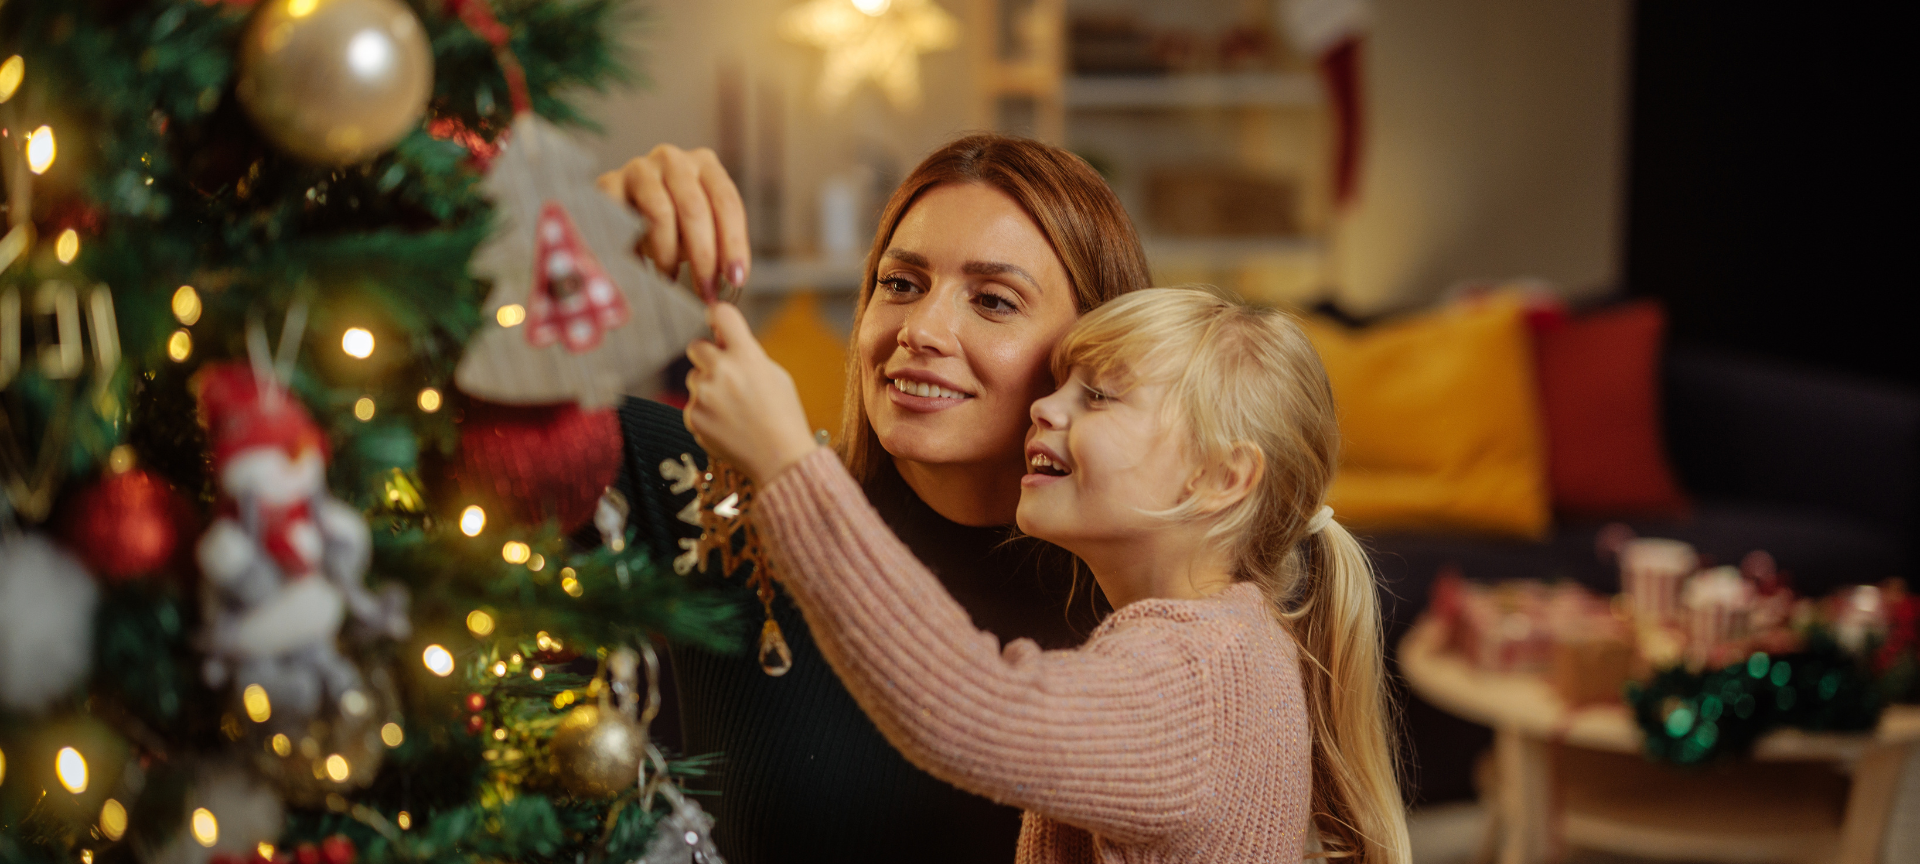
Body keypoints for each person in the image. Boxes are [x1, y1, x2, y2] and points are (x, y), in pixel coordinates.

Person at [683, 287, 1411, 862]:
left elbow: (973, 707)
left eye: (1098, 396)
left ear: (1221, 476)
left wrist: (785, 461)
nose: (1043, 407)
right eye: (1062, 384)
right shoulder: (1231, 642)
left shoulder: (1197, 676)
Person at [595, 134, 1152, 861]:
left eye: (992, 299)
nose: (920, 330)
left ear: (1094, 348)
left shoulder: (1151, 598)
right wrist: (578, 238)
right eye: (900, 284)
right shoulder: (729, 494)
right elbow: (433, 428)